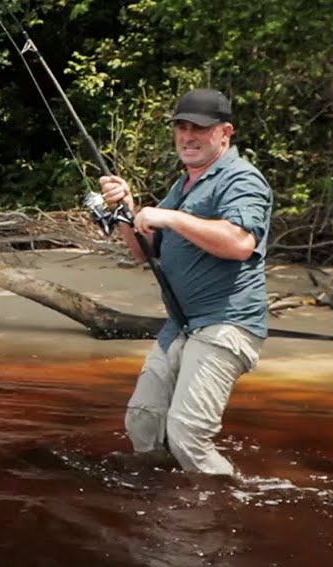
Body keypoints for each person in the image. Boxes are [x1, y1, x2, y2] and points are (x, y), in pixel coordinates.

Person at [99, 88, 273, 476]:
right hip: (181, 324)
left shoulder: (242, 179)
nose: (188, 136)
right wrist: (126, 209)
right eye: (181, 127)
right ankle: (166, 493)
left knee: (188, 435)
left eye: (200, 128)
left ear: (225, 133)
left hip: (226, 323)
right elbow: (144, 252)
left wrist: (170, 218)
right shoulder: (184, 185)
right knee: (142, 423)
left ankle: (229, 502)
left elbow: (240, 243)